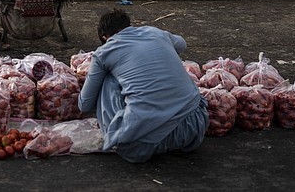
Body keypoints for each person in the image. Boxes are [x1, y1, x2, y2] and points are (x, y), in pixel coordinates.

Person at [78, 8, 209, 163]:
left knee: (107, 79)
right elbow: (182, 44)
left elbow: (84, 105)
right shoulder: (155, 33)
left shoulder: (103, 52)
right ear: (128, 26)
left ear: (105, 37)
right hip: (193, 128)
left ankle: (116, 134)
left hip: (141, 145)